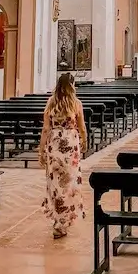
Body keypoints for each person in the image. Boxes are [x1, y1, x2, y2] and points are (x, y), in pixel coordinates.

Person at [38, 72, 86, 238]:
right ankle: (64, 221)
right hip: (70, 146)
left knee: (56, 183)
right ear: (71, 85)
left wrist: (41, 149)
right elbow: (82, 127)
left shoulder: (51, 102)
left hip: (55, 145)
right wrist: (84, 141)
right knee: (69, 183)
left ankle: (59, 222)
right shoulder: (76, 103)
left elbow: (45, 129)